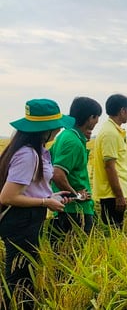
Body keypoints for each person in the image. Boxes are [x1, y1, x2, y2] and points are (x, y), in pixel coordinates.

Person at [0, 99, 72, 308]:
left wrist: (50, 197)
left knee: (24, 274)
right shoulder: (28, 155)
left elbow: (30, 188)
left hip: (28, 217)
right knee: (19, 279)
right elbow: (7, 197)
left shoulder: (36, 150)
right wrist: (44, 202)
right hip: (21, 220)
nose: (59, 129)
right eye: (56, 126)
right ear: (44, 130)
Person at [50, 97, 102, 236]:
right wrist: (76, 195)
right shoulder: (72, 141)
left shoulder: (66, 135)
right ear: (91, 117)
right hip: (74, 209)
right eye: (97, 117)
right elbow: (57, 173)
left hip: (68, 208)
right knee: (75, 253)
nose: (97, 122)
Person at [93, 94, 127, 229]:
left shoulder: (113, 130)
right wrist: (119, 196)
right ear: (122, 111)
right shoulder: (110, 133)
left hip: (114, 192)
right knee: (113, 231)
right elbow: (109, 167)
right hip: (112, 194)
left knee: (115, 229)